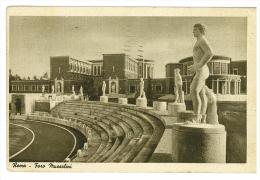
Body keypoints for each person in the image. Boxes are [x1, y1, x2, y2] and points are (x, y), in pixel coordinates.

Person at [188, 23, 213, 123]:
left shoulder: (202, 40)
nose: (193, 31)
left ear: (200, 31)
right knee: (202, 94)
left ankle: (196, 117)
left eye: (195, 30)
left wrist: (198, 65)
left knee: (193, 91)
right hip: (201, 70)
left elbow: (210, 53)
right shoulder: (200, 40)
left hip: (201, 70)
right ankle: (202, 118)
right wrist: (196, 66)